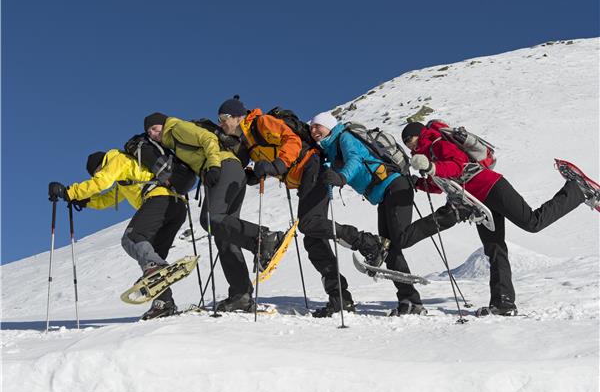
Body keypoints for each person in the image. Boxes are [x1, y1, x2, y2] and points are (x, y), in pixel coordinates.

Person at [403, 120, 598, 316]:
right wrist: (419, 182)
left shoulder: (438, 143)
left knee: (532, 222)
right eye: (405, 143)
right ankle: (503, 303)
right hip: (477, 203)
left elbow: (458, 165)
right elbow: (440, 184)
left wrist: (431, 167)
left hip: (491, 187)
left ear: (420, 134)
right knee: (494, 249)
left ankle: (576, 190)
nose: (408, 144)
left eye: (409, 139)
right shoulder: (427, 156)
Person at [217, 97, 390, 317]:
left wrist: (276, 165)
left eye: (223, 118)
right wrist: (256, 174)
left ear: (237, 116)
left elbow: (291, 141)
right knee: (312, 239)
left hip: (313, 167)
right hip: (303, 176)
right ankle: (340, 299)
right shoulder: (249, 140)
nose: (221, 123)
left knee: (309, 223)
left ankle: (370, 243)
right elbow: (272, 159)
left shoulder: (261, 123)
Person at [310, 113, 464, 315]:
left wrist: (342, 177)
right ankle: (410, 302)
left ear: (330, 126)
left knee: (400, 238)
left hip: (395, 184)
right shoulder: (330, 148)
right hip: (383, 193)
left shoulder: (345, 137)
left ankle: (452, 213)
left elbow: (355, 160)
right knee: (390, 248)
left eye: (318, 126)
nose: (314, 131)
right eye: (311, 128)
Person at [143, 112, 284, 313]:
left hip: (224, 167)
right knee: (225, 235)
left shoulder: (175, 127)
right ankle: (240, 294)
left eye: (155, 128)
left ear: (163, 124)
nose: (154, 134)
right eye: (150, 132)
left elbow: (207, 138)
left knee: (210, 219)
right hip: (234, 172)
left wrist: (214, 166)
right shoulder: (171, 141)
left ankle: (263, 238)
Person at [48, 149, 186, 320]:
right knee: (152, 256)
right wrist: (85, 201)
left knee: (132, 238)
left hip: (160, 200)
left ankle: (156, 270)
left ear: (101, 165)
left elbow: (101, 183)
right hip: (176, 207)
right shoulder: (124, 179)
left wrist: (70, 192)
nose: (99, 175)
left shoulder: (116, 159)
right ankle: (163, 303)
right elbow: (107, 198)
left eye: (97, 172)